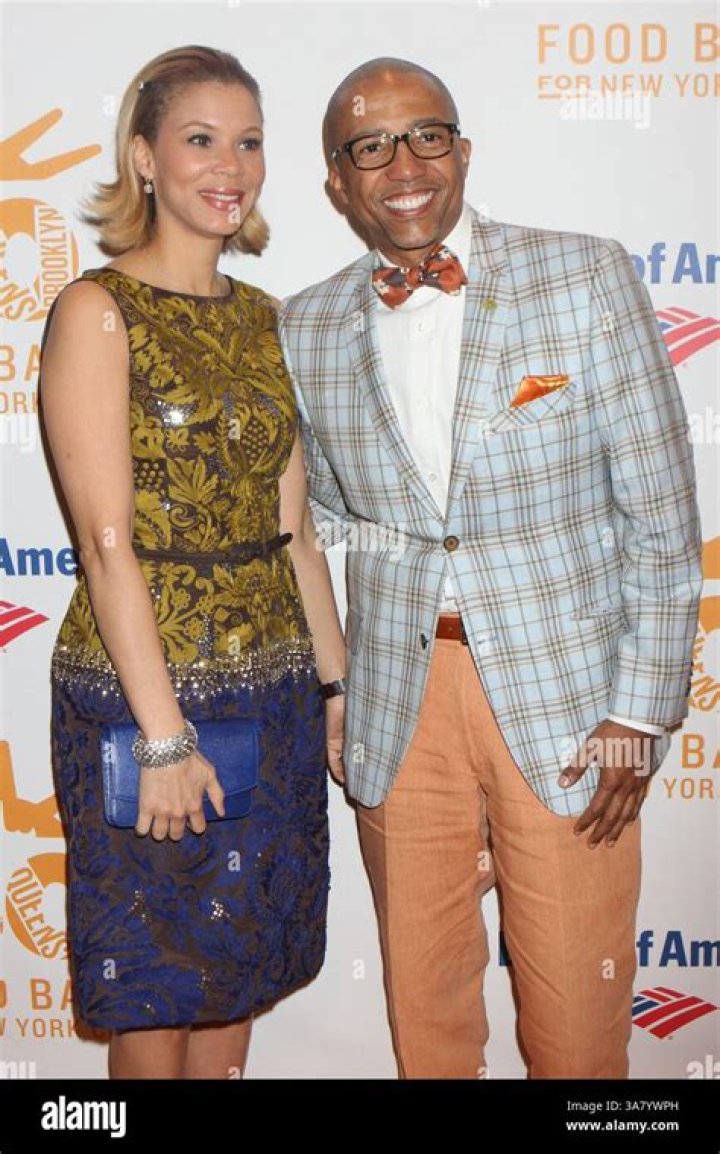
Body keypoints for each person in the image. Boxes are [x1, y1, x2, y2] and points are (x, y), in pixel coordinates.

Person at [279, 57, 703, 1079]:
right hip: (398, 703)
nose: (404, 165)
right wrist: (333, 685)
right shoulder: (304, 325)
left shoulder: (584, 276)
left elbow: (661, 515)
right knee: (426, 1019)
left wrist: (641, 714)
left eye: (425, 135)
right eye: (369, 146)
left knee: (576, 1022)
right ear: (337, 181)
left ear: (463, 151)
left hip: (571, 704)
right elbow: (318, 520)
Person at [40, 45, 345, 1080]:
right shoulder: (97, 310)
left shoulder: (267, 320)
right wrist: (164, 738)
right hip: (146, 699)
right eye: (201, 139)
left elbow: (297, 531)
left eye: (249, 142)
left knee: (239, 966)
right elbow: (106, 543)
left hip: (274, 689)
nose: (231, 166)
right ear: (143, 157)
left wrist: (336, 687)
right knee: (154, 983)